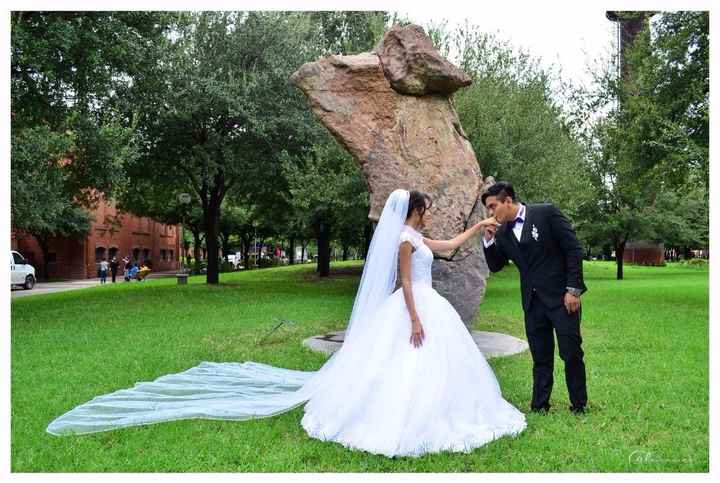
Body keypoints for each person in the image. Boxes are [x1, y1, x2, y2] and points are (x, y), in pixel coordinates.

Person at [45, 189, 527, 458]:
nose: (426, 218)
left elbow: (444, 248)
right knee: (402, 366)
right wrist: (416, 320)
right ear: (412, 212)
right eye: (424, 211)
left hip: (426, 307)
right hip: (414, 309)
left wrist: (477, 229)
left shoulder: (418, 237)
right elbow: (402, 284)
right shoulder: (403, 241)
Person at [481, 181, 588, 414]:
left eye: (492, 206)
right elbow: (496, 265)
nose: (490, 213)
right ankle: (540, 405)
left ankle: (579, 404)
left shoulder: (546, 213)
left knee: (571, 352)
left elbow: (573, 249)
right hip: (532, 302)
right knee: (540, 356)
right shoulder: (504, 233)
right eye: (488, 209)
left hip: (562, 298)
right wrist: (488, 240)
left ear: (507, 201)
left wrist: (573, 290)